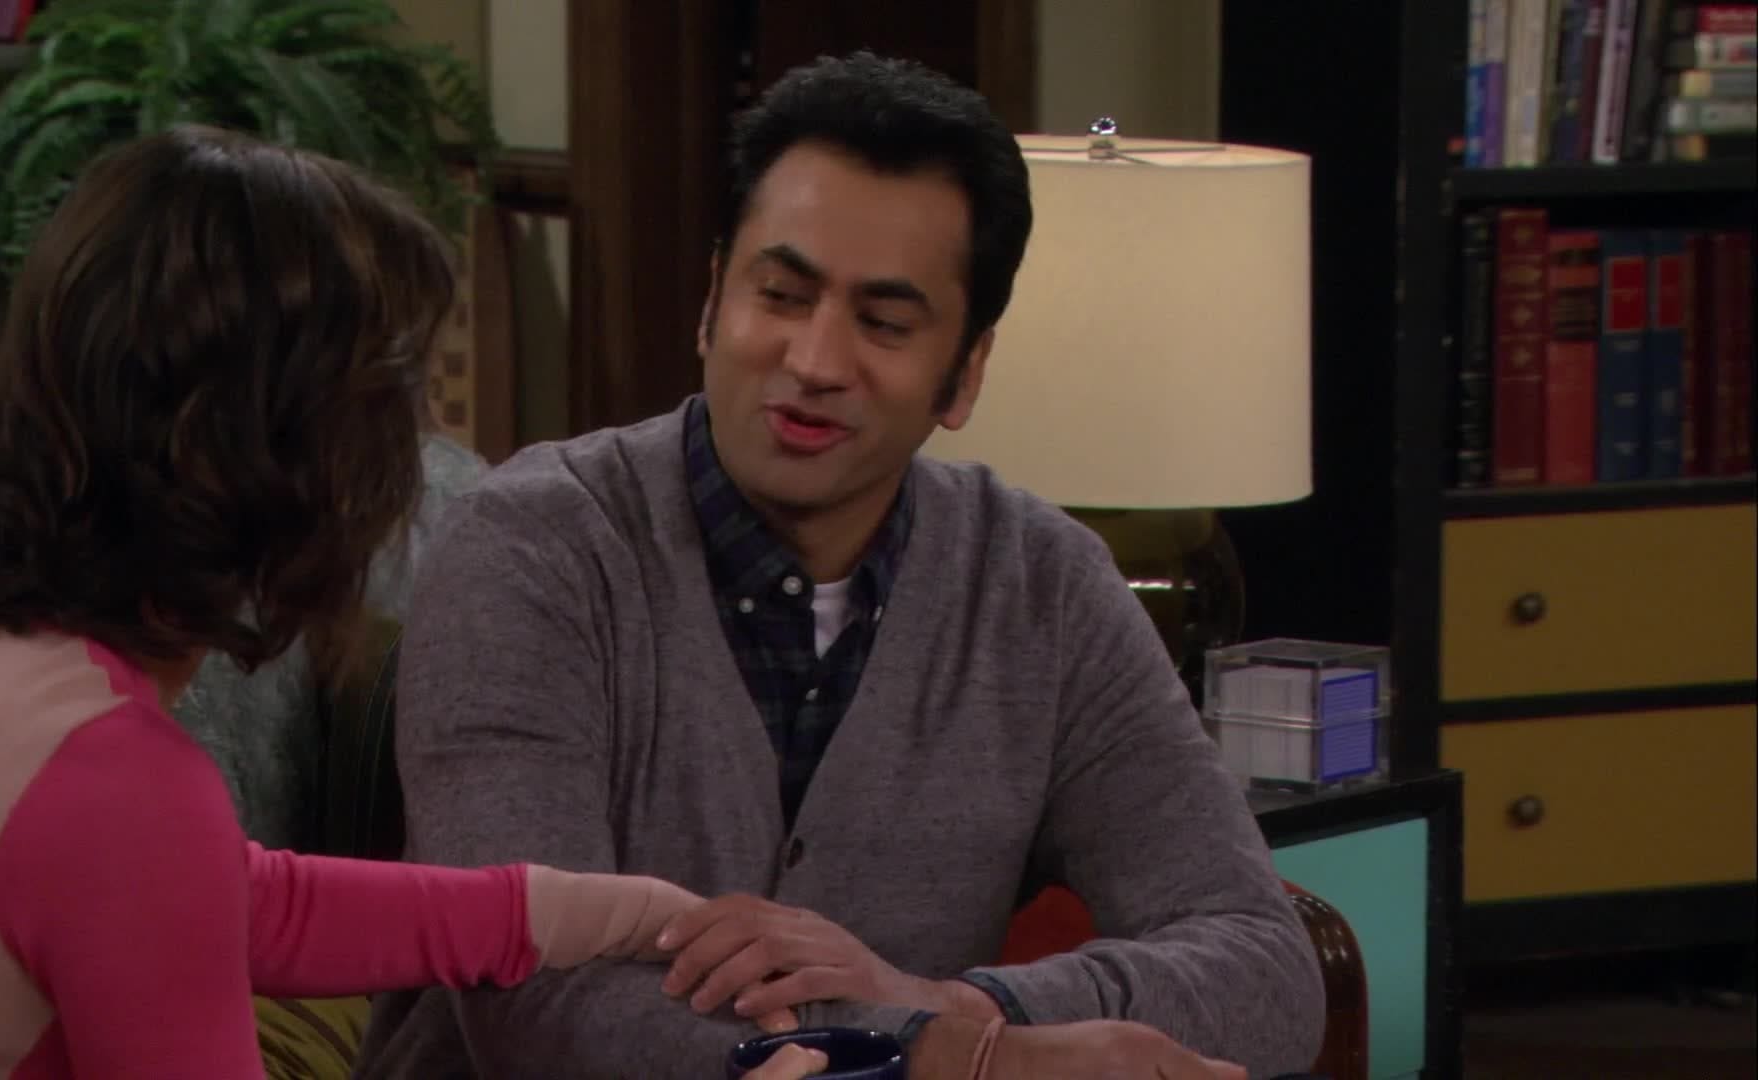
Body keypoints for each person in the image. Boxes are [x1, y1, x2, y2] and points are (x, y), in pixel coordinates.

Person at [355, 51, 1324, 1080]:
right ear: (711, 301)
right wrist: (932, 1055)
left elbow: (1266, 971)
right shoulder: (531, 550)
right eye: (780, 294)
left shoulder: (1043, 589)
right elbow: (535, 1004)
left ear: (965, 373)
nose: (814, 362)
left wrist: (957, 1010)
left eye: (884, 324)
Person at [0, 126, 812, 1080]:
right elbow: (153, 868)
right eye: (395, 408)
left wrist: (603, 914)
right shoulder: (120, 794)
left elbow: (227, 903)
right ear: (295, 462)